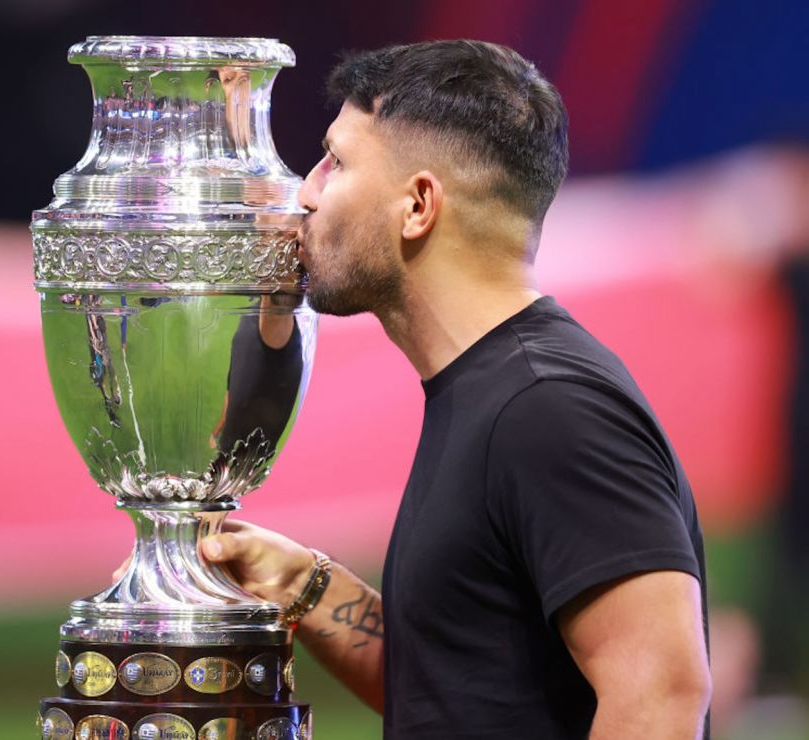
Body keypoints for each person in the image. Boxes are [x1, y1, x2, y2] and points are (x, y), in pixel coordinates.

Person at [196, 40, 712, 738]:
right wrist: (304, 586)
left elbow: (662, 699)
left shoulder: (549, 408)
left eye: (337, 162)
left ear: (417, 204)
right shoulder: (493, 392)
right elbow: (457, 690)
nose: (308, 192)